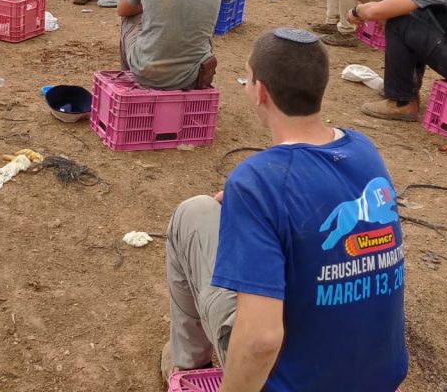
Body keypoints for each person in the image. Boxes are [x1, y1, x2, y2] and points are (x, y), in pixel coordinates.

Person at [162, 28, 408, 392]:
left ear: (260, 92)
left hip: (290, 382)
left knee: (193, 213)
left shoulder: (258, 181)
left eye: (247, 79)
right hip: (378, 379)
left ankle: (187, 362)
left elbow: (262, 340)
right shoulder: (363, 149)